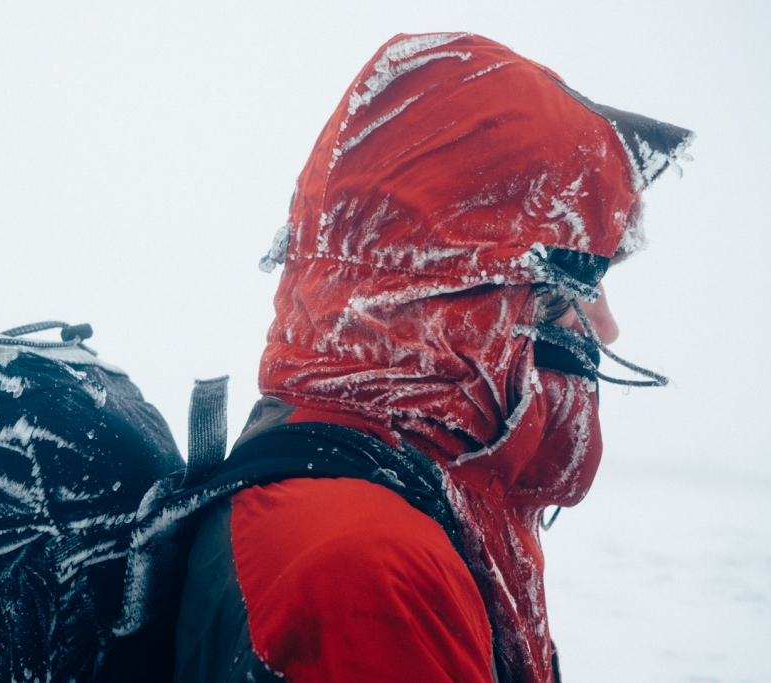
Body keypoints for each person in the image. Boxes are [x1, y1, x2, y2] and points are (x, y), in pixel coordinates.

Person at [173, 33, 692, 683]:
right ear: (456, 306)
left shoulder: (405, 505)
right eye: (567, 296)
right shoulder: (368, 568)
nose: (607, 329)